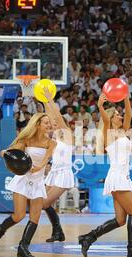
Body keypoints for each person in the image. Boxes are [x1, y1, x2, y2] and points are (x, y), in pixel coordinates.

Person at [78, 94, 132, 257]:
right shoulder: (108, 133)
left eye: (119, 113)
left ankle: (88, 238)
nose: (120, 115)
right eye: (117, 114)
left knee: (120, 220)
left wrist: (125, 97)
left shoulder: (122, 131)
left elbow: (130, 114)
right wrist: (101, 107)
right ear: (110, 118)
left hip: (123, 176)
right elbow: (104, 118)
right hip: (118, 177)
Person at [0, 113, 56, 257]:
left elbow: (45, 160)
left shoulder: (51, 143)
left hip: (37, 181)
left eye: (49, 122)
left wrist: (37, 168)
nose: (49, 125)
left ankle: (23, 247)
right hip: (23, 180)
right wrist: (6, 154)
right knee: (19, 215)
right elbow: (8, 152)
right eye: (46, 122)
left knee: (35, 218)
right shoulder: (26, 140)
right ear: (37, 125)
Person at [42, 88, 76, 242]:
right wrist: (43, 100)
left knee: (43, 203)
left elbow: (56, 116)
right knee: (42, 202)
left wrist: (50, 99)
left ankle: (58, 231)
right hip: (53, 172)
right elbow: (50, 115)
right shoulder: (55, 136)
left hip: (63, 173)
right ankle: (58, 233)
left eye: (57, 123)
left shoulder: (68, 136)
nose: (54, 124)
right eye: (53, 123)